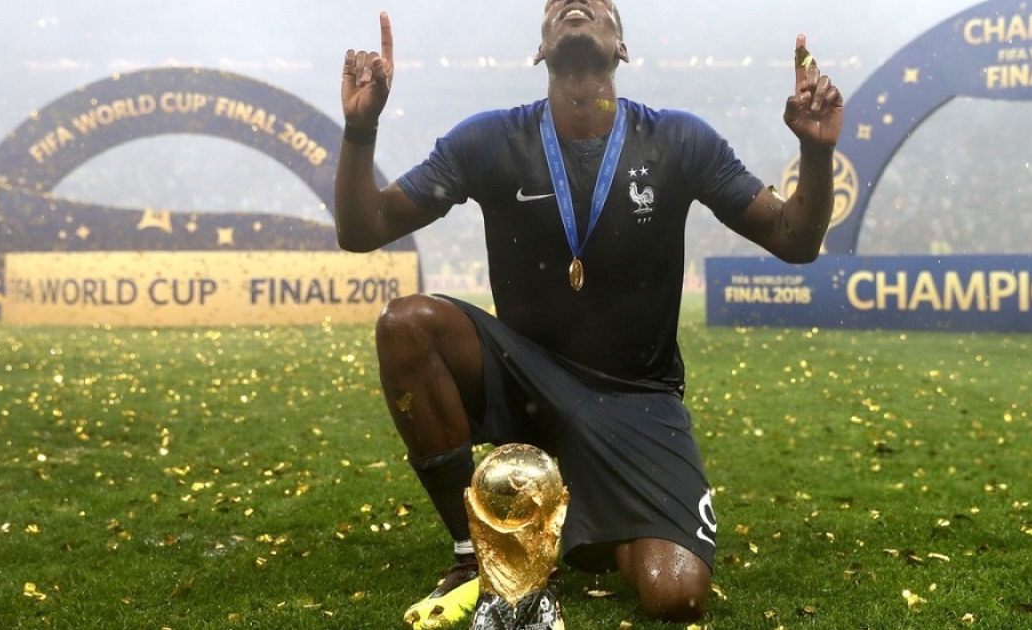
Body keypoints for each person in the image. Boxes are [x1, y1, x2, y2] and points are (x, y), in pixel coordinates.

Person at [335, 2, 843, 626]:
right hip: (526, 381)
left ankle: (572, 513)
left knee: (675, 595)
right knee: (405, 325)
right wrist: (360, 130)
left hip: (637, 397)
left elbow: (794, 239)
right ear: (540, 49)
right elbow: (364, 227)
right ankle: (475, 552)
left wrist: (815, 152)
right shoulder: (489, 140)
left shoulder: (679, 140)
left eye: (598, 3)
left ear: (621, 47)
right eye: (557, 4)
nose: (575, 3)